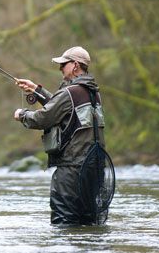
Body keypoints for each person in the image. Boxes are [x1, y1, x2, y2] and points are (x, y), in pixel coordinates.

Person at [13, 46, 107, 225]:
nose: (60, 68)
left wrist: (22, 115)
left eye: (63, 64)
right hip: (94, 169)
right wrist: (36, 90)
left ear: (75, 65)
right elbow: (62, 108)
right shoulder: (93, 93)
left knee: (63, 224)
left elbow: (45, 117)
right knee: (88, 222)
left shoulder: (70, 92)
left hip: (71, 170)